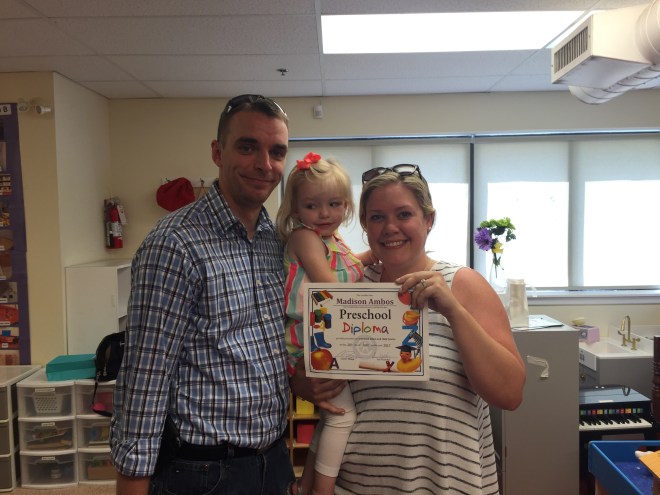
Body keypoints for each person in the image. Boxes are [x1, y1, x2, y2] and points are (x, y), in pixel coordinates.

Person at [290, 163, 526, 494]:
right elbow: (313, 370)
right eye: (377, 217)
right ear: (365, 225)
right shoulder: (350, 289)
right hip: (355, 485)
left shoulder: (463, 285)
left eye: (404, 214)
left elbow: (510, 394)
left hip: (446, 485)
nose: (390, 227)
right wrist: (304, 382)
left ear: (428, 219)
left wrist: (453, 310)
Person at [110, 94, 295, 495]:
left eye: (277, 152)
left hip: (273, 459)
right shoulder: (175, 244)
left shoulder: (274, 241)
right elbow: (145, 375)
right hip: (204, 472)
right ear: (217, 152)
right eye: (248, 147)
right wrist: (132, 480)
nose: (265, 164)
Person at [276, 152, 371, 495]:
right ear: (296, 209)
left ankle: (306, 486)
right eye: (312, 206)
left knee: (332, 416)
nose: (325, 213)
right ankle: (322, 491)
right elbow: (331, 287)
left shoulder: (334, 240)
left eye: (334, 204)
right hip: (307, 340)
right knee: (344, 417)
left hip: (324, 338)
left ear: (346, 205)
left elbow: (348, 266)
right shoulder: (305, 238)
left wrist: (375, 255)